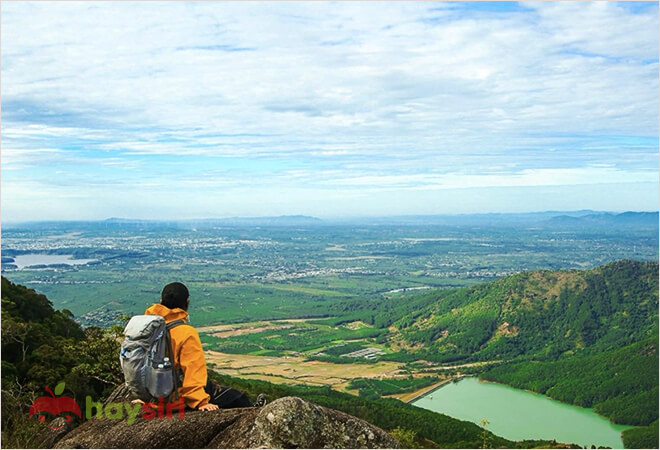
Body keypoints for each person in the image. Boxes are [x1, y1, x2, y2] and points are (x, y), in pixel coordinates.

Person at [143, 281, 266, 411]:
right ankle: (255, 411)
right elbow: (193, 370)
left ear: (161, 300)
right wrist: (200, 402)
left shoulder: (148, 327)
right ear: (187, 301)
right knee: (237, 397)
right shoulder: (185, 332)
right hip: (173, 395)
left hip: (151, 392)